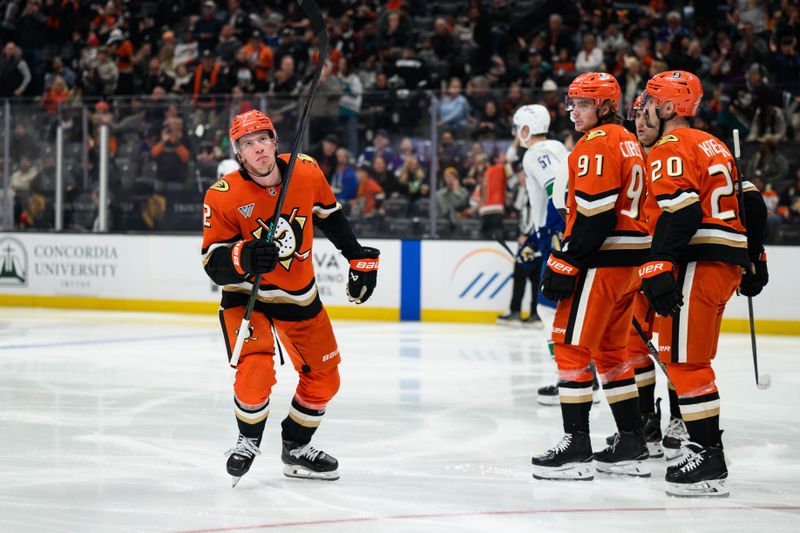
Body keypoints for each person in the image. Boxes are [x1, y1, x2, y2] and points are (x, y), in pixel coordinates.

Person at [202, 110, 380, 486]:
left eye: (262, 139)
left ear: (275, 141)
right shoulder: (223, 195)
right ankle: (247, 440)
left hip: (299, 296)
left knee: (326, 379)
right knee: (255, 370)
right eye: (247, 144)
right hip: (246, 296)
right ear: (239, 154)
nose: (258, 148)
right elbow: (212, 262)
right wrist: (245, 257)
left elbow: (330, 215)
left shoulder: (306, 170)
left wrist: (356, 255)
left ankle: (296, 448)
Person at [638, 71, 768, 496]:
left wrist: (659, 263)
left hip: (700, 260)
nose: (645, 108)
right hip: (724, 262)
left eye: (652, 101)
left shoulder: (670, 146)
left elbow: (683, 212)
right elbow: (752, 203)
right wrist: (754, 256)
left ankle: (708, 459)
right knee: (690, 359)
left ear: (670, 108)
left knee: (685, 362)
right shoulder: (714, 143)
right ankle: (704, 449)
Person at [531, 72, 651, 480]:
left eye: (582, 104)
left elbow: (595, 213)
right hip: (629, 265)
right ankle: (632, 442)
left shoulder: (596, 143)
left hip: (601, 263)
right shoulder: (631, 141)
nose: (574, 111)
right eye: (573, 103)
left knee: (568, 348)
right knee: (612, 355)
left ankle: (576, 447)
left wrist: (567, 261)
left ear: (603, 106)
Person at [601, 94, 689, 461]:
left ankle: (682, 418)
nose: (639, 123)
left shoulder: (676, 151)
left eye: (646, 116)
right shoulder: (633, 157)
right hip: (638, 268)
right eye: (636, 116)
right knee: (634, 350)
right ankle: (647, 417)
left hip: (672, 268)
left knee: (673, 350)